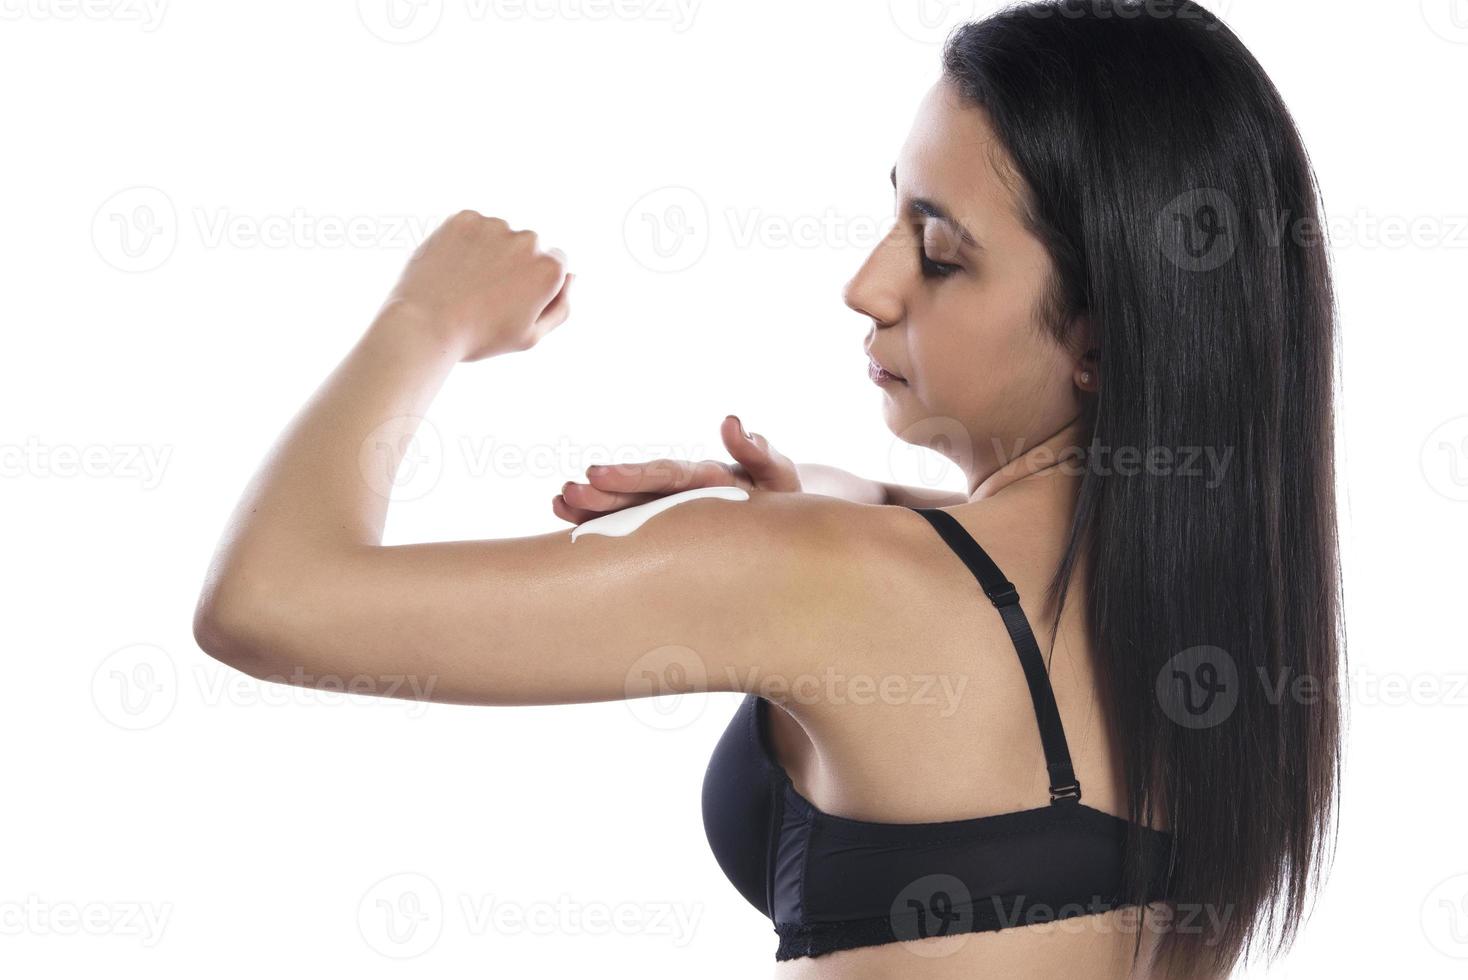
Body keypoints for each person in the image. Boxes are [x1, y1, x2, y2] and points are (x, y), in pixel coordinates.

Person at [194, 3, 1343, 976]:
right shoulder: (1220, 607)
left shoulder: (846, 577)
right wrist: (816, 506)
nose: (866, 284)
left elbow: (268, 601)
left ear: (1100, 336)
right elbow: (941, 548)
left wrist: (423, 318)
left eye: (938, 252)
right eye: (892, 213)